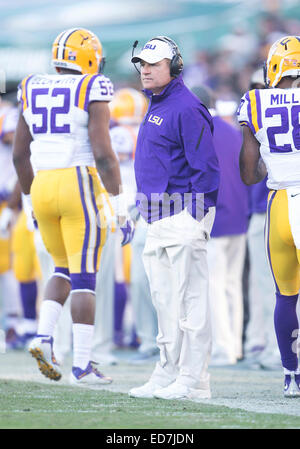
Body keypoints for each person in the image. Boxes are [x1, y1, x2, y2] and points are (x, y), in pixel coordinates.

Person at [12, 28, 134, 385]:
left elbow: (20, 154)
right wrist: (121, 204)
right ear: (90, 59)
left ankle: (43, 336)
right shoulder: (91, 87)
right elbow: (103, 153)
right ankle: (82, 365)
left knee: (61, 269)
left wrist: (31, 198)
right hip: (78, 180)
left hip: (43, 183)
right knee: (85, 276)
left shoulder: (30, 85)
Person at [128, 36, 220, 401]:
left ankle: (195, 380)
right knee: (165, 303)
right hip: (156, 219)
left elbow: (206, 169)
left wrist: (195, 219)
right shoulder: (157, 103)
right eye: (142, 64)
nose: (145, 70)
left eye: (153, 63)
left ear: (175, 66)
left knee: (191, 303)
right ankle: (167, 371)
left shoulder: (186, 106)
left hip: (181, 215)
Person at [237, 35, 300, 397]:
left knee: (285, 295)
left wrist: (275, 160)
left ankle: (291, 375)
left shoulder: (254, 100)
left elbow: (249, 173)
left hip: (277, 204)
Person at [192, 85, 249, 366]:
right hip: (239, 217)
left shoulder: (199, 132)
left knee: (214, 286)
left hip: (213, 218)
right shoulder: (230, 131)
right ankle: (235, 346)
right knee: (232, 286)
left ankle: (222, 349)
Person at [243, 68, 280, 369]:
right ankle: (269, 342)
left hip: (273, 208)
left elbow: (249, 173)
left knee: (276, 286)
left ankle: (279, 347)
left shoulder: (258, 110)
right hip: (262, 210)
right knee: (266, 286)